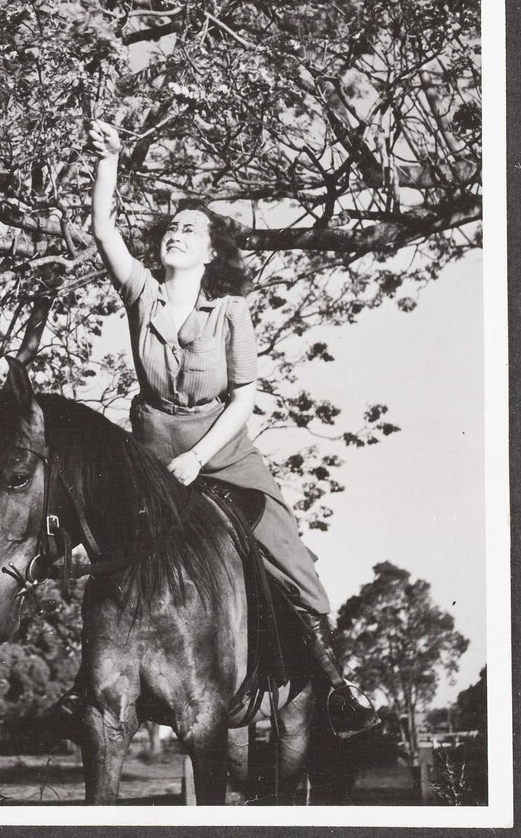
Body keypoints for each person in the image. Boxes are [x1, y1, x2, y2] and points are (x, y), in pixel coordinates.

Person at [83, 118, 378, 738]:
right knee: (101, 545)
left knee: (292, 557)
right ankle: (88, 685)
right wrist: (108, 160)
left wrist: (199, 459)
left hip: (223, 451)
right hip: (149, 454)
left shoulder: (231, 312)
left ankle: (334, 685)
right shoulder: (141, 293)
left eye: (190, 229)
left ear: (212, 252)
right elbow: (103, 228)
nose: (175, 235)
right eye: (169, 228)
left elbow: (245, 397)